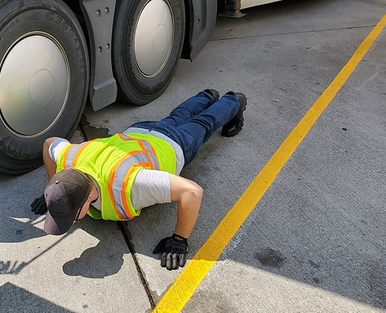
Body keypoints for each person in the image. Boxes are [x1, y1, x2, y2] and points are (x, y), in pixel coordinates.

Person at [31, 89, 247, 270]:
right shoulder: (70, 157)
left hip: (172, 145)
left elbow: (192, 192)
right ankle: (207, 95)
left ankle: (234, 100)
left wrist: (180, 239)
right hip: (140, 132)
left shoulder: (129, 185)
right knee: (177, 116)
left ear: (88, 197)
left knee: (204, 122)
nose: (72, 220)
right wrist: (54, 191)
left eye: (72, 215)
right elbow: (50, 144)